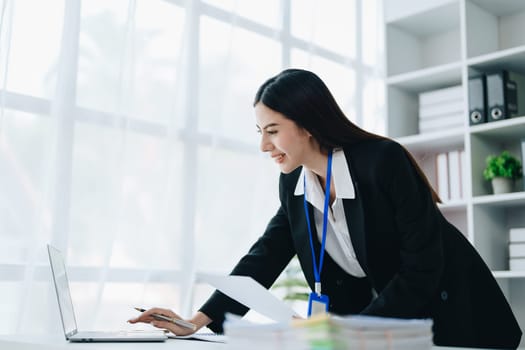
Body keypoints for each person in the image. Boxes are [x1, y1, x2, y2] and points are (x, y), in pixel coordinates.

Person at [129, 68, 522, 349]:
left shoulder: (383, 161)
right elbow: (265, 255)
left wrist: (350, 329)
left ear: (308, 124)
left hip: (457, 314)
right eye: (259, 133)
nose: (264, 147)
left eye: (272, 131)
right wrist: (197, 320)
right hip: (388, 326)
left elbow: (423, 268)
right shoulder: (293, 182)